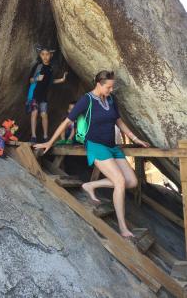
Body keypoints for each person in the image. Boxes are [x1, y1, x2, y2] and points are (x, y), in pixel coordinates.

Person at [34, 70, 150, 238]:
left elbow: (118, 120)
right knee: (119, 181)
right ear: (98, 84)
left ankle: (91, 185)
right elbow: (67, 122)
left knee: (131, 181)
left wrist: (135, 138)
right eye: (108, 87)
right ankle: (123, 228)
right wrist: (49, 142)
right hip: (96, 146)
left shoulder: (111, 99)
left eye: (112, 87)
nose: (111, 90)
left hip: (112, 146)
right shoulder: (86, 100)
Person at [27, 46, 68, 143]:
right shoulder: (38, 66)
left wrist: (62, 79)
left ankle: (45, 136)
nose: (45, 57)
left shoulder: (51, 68)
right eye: (42, 54)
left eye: (47, 54)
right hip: (34, 94)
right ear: (40, 56)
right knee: (34, 113)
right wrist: (37, 79)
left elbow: (50, 81)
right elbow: (30, 80)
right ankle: (33, 136)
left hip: (43, 96)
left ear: (51, 55)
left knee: (44, 115)